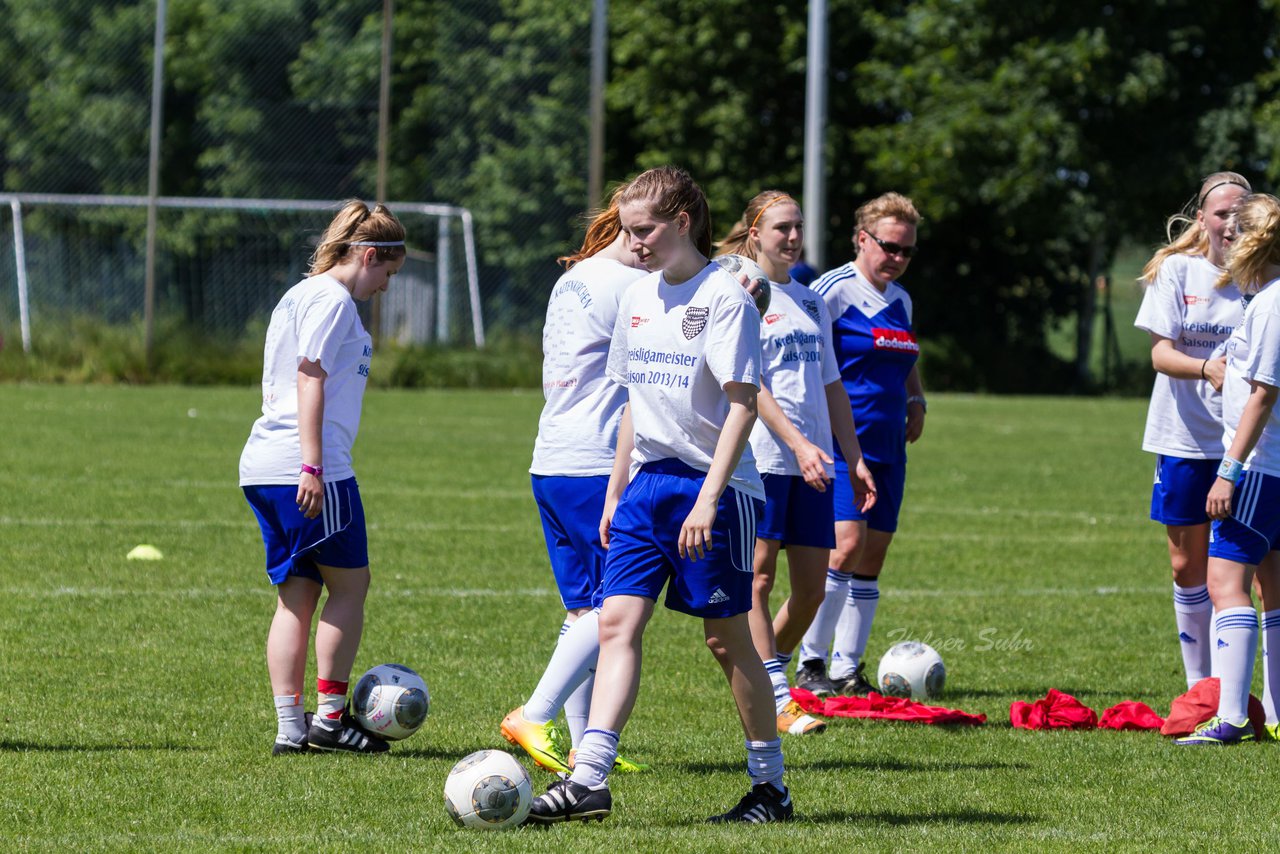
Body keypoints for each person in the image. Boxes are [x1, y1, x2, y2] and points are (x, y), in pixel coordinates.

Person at [525, 166, 793, 825]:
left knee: (727, 641)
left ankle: (770, 789)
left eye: (642, 229)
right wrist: (618, 491)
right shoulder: (639, 297)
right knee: (615, 622)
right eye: (626, 227)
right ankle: (590, 779)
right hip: (646, 488)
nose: (632, 240)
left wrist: (708, 498)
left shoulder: (724, 297)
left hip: (715, 492)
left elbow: (742, 407)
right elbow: (633, 408)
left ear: (680, 224)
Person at [238, 200, 406, 755]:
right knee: (350, 587)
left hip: (265, 463)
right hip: (309, 469)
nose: (385, 286)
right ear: (368, 254)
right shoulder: (333, 299)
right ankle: (330, 722)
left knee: (297, 597)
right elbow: (309, 376)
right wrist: (313, 465)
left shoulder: (300, 293)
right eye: (387, 271)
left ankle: (292, 728)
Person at [714, 190, 876, 737]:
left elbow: (831, 384)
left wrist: (852, 457)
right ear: (755, 233)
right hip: (761, 459)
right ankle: (779, 698)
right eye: (781, 227)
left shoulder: (810, 301)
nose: (792, 237)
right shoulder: (743, 295)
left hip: (814, 464)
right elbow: (750, 382)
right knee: (758, 580)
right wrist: (799, 444)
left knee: (811, 588)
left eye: (798, 227)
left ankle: (765, 678)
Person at [501, 186, 650, 774]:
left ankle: (585, 745)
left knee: (584, 609)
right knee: (616, 610)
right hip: (596, 461)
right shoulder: (630, 287)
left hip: (553, 458)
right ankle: (534, 715)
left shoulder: (576, 277)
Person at [794, 192, 926, 698]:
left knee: (872, 555)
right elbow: (806, 360)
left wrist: (918, 400)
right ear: (862, 239)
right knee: (844, 546)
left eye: (907, 251)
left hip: (890, 444)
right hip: (842, 445)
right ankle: (810, 662)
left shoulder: (901, 299)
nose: (897, 258)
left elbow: (906, 355)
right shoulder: (832, 290)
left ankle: (848, 670)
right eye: (890, 247)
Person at [1135, 172, 1251, 690]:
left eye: (1240, 213)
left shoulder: (1264, 280)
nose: (1231, 222)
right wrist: (1209, 370)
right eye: (1221, 212)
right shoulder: (1178, 271)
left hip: (1249, 444)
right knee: (1188, 566)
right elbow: (1160, 353)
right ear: (1202, 218)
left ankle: (1262, 693)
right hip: (1183, 437)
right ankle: (1201, 688)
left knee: (1254, 568)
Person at [1177, 192, 1280, 745]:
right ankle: (1279, 713)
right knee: (1274, 589)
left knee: (1225, 584)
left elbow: (1263, 394)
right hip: (1273, 469)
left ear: (1251, 242)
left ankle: (1232, 716)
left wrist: (1229, 470)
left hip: (1260, 468)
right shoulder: (1267, 298)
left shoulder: (1269, 303)